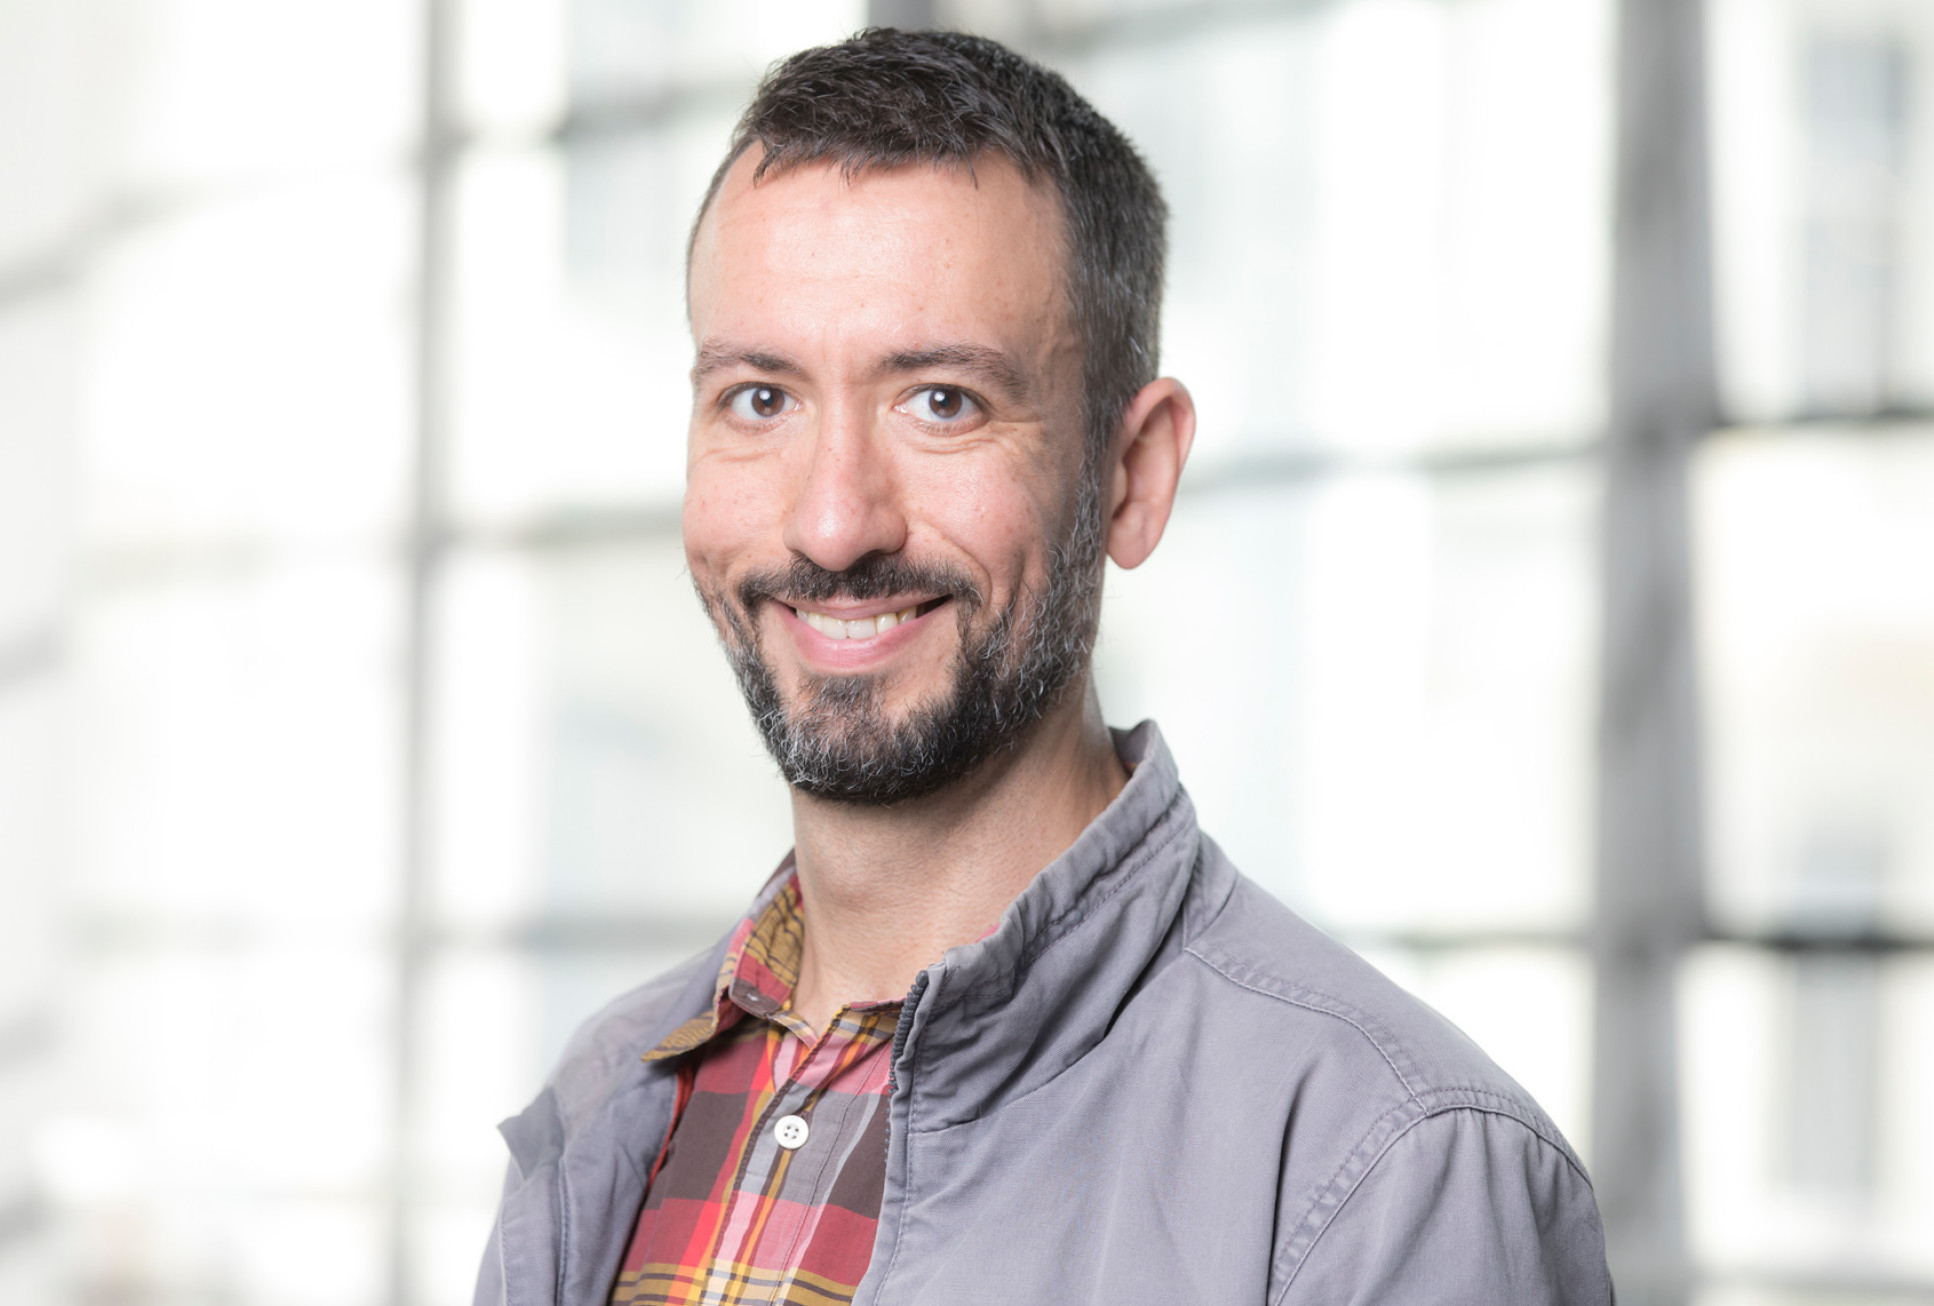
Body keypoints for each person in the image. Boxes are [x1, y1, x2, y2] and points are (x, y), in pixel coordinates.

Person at [474, 27, 1612, 1306]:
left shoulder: (1398, 1174)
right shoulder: (604, 1104)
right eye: (759, 398)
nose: (833, 522)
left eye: (941, 400)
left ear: (1132, 476)